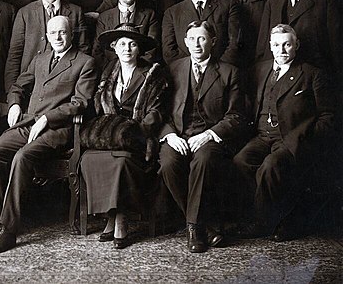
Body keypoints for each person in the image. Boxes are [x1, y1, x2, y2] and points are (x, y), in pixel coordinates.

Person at [0, 15, 97, 254]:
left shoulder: (85, 62)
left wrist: (47, 119)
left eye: (62, 32)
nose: (58, 37)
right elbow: (19, 85)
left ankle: (8, 230)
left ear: (71, 34)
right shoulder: (40, 59)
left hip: (58, 130)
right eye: (53, 33)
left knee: (22, 157)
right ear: (47, 36)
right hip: (29, 123)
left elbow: (80, 103)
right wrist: (15, 104)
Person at [234, 25, 336, 241]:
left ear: (296, 46)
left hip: (290, 138)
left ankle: (267, 223)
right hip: (262, 136)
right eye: (277, 45)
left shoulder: (311, 74)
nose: (282, 50)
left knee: (271, 166)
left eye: (287, 44)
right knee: (241, 161)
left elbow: (328, 117)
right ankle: (270, 216)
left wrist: (303, 138)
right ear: (270, 47)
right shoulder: (259, 70)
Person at [158, 21, 245, 253]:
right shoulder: (173, 69)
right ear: (185, 42)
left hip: (210, 138)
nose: (196, 44)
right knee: (167, 162)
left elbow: (236, 116)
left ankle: (194, 228)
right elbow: (159, 111)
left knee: (203, 160)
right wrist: (169, 135)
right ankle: (204, 226)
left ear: (213, 42)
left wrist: (209, 134)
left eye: (202, 39)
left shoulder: (229, 72)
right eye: (192, 39)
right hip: (178, 135)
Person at [80, 23, 168, 248]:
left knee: (121, 162)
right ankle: (110, 214)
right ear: (114, 47)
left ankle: (121, 217)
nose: (127, 48)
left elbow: (156, 111)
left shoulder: (152, 73)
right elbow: (98, 106)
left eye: (132, 44)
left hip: (137, 137)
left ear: (139, 49)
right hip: (110, 135)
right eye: (122, 44)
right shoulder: (108, 72)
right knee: (90, 158)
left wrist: (134, 130)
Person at [4, 0, 88, 92]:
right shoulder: (25, 13)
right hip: (30, 85)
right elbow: (14, 55)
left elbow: (83, 50)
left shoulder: (76, 12)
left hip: (65, 85)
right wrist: (12, 94)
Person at [162, 0, 242, 66]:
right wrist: (189, 71)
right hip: (184, 76)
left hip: (220, 73)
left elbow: (234, 45)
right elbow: (169, 51)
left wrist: (217, 71)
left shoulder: (229, 6)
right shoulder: (172, 13)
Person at [93, 0, 160, 69]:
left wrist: (135, 71)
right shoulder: (104, 17)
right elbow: (97, 51)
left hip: (140, 72)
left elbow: (152, 49)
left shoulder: (149, 15)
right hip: (109, 72)